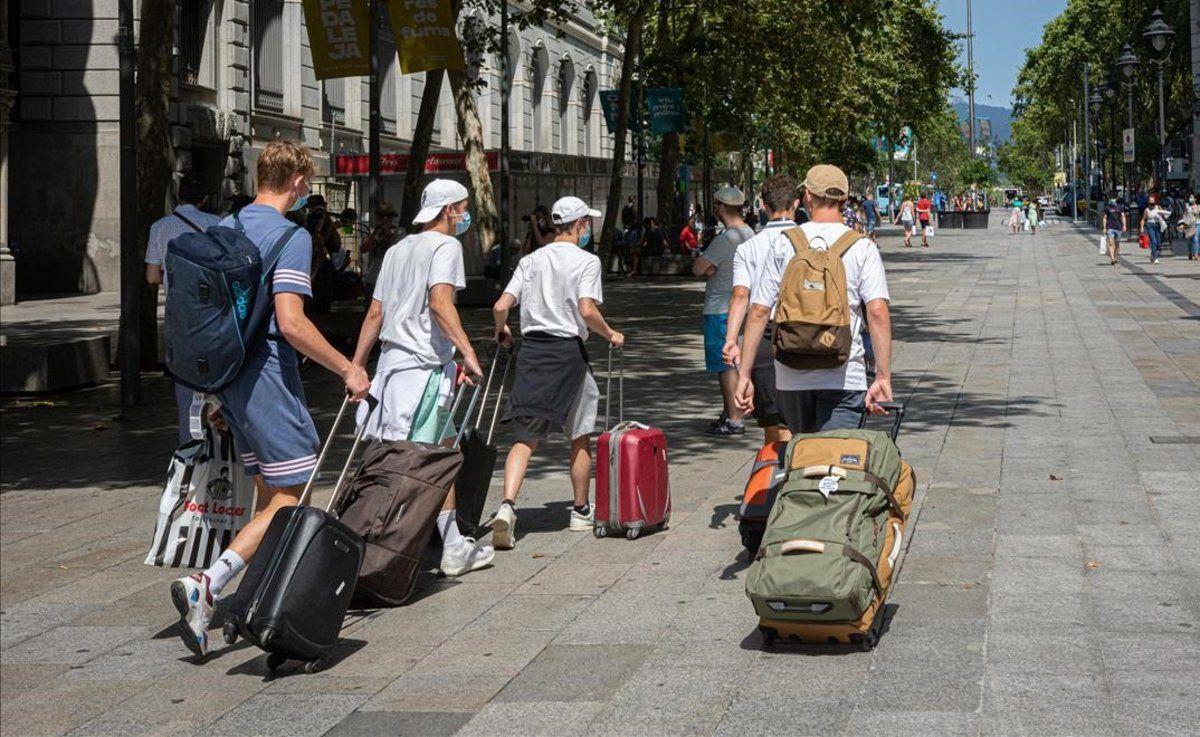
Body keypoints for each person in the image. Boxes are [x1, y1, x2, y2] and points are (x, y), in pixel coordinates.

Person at [170, 140, 372, 657]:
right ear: (300, 182)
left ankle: (255, 593)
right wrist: (348, 368)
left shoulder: (226, 228)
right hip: (268, 379)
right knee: (295, 493)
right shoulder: (291, 237)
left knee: (267, 488)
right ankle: (207, 584)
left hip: (227, 379)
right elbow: (292, 322)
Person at [351, 179, 492, 577]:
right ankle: (421, 544)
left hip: (393, 369)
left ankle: (451, 540)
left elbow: (376, 313)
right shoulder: (446, 247)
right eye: (463, 208)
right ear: (449, 210)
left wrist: (357, 365)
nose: (465, 216)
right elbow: (440, 303)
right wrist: (467, 351)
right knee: (427, 460)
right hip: (423, 370)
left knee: (445, 450)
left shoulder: (397, 249)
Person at [489, 196, 624, 549]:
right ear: (579, 224)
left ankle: (506, 506)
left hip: (533, 352)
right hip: (568, 355)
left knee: (524, 438)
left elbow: (501, 305)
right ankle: (580, 510)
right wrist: (611, 334)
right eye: (587, 224)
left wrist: (502, 330)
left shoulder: (531, 260)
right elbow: (587, 310)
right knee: (579, 435)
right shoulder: (587, 261)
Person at [734, 164, 893, 434]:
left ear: (807, 196)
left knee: (802, 457)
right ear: (843, 199)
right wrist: (883, 375)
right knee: (833, 465)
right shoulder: (862, 246)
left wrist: (745, 375)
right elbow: (877, 311)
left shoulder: (784, 243)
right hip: (844, 373)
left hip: (790, 375)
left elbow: (759, 311)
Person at [720, 175, 800, 444]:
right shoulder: (809, 242)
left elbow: (740, 296)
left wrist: (732, 339)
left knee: (774, 425)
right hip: (805, 333)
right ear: (797, 203)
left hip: (765, 337)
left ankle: (778, 475)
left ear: (764, 207)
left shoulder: (748, 247)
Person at [144, 171, 222, 444]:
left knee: (185, 387)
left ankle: (189, 448)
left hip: (179, 318)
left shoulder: (160, 227)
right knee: (218, 380)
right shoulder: (218, 223)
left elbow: (153, 277)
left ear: (179, 196)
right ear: (204, 199)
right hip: (215, 316)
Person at [693, 186, 755, 437]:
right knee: (737, 362)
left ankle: (734, 418)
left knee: (726, 365)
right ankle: (733, 409)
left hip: (720, 308)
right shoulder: (750, 233)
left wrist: (706, 264)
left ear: (720, 208)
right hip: (743, 308)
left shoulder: (725, 239)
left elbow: (699, 268)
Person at [361, 202, 401, 306]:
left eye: (388, 216)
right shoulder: (372, 233)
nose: (384, 218)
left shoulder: (399, 231)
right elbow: (363, 249)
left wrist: (387, 232)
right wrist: (375, 233)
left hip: (392, 278)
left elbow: (398, 247)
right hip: (373, 278)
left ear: (392, 218)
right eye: (381, 216)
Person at [1141, 195, 1168, 265]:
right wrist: (1141, 228)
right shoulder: (1146, 210)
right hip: (1150, 226)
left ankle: (1153, 254)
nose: (1151, 204)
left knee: (1159, 243)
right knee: (1154, 241)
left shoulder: (1158, 207)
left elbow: (1163, 215)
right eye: (1150, 203)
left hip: (1157, 226)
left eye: (1153, 202)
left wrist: (1162, 215)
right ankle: (1155, 257)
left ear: (1155, 202)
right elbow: (1143, 219)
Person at [1103, 195, 1127, 267]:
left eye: (1113, 198)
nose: (1112, 199)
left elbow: (1123, 217)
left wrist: (1124, 225)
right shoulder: (1107, 208)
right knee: (1111, 243)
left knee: (1117, 244)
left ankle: (1115, 256)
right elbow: (1104, 218)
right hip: (1110, 227)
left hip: (1118, 227)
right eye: (1111, 198)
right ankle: (1112, 259)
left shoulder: (1120, 207)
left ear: (1116, 199)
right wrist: (1104, 227)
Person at [1185, 194, 1200, 261]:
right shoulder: (1187, 206)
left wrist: (1194, 210)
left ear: (1195, 199)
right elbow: (1184, 215)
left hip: (1197, 224)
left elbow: (1197, 213)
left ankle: (1196, 255)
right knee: (1189, 241)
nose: (1190, 198)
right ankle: (1190, 253)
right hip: (1189, 225)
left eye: (1191, 197)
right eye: (1189, 197)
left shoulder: (1199, 206)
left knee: (1196, 240)